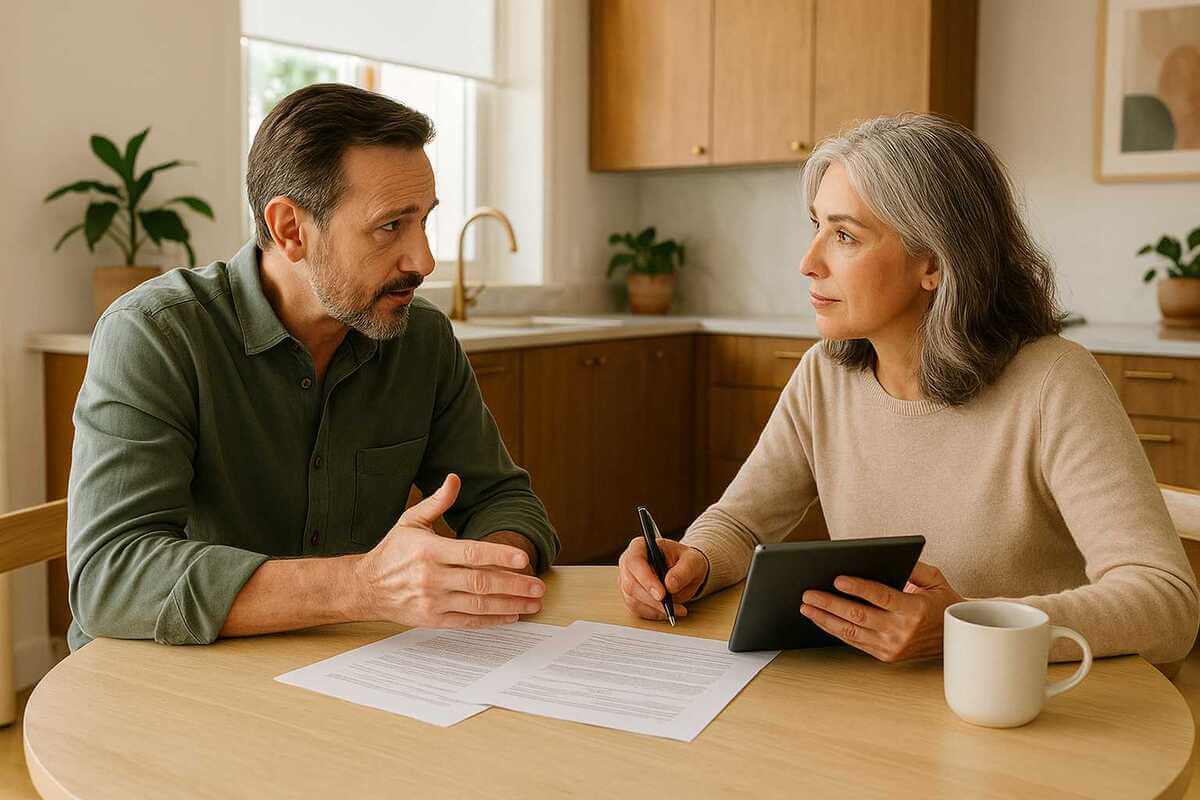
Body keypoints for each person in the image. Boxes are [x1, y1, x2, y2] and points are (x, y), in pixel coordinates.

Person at [618, 113, 1199, 668]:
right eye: (817, 226)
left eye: (844, 235)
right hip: (886, 703)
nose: (807, 262)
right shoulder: (825, 375)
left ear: (935, 264)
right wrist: (692, 559)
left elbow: (1167, 604)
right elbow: (742, 524)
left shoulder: (1054, 383)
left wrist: (964, 628)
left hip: (1034, 713)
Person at [66, 84, 557, 650]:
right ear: (291, 230)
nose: (423, 260)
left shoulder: (421, 338)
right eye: (390, 226)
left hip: (359, 667)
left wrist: (481, 572)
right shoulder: (155, 334)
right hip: (176, 680)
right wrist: (366, 586)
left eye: (424, 220)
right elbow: (112, 576)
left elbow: (502, 499)